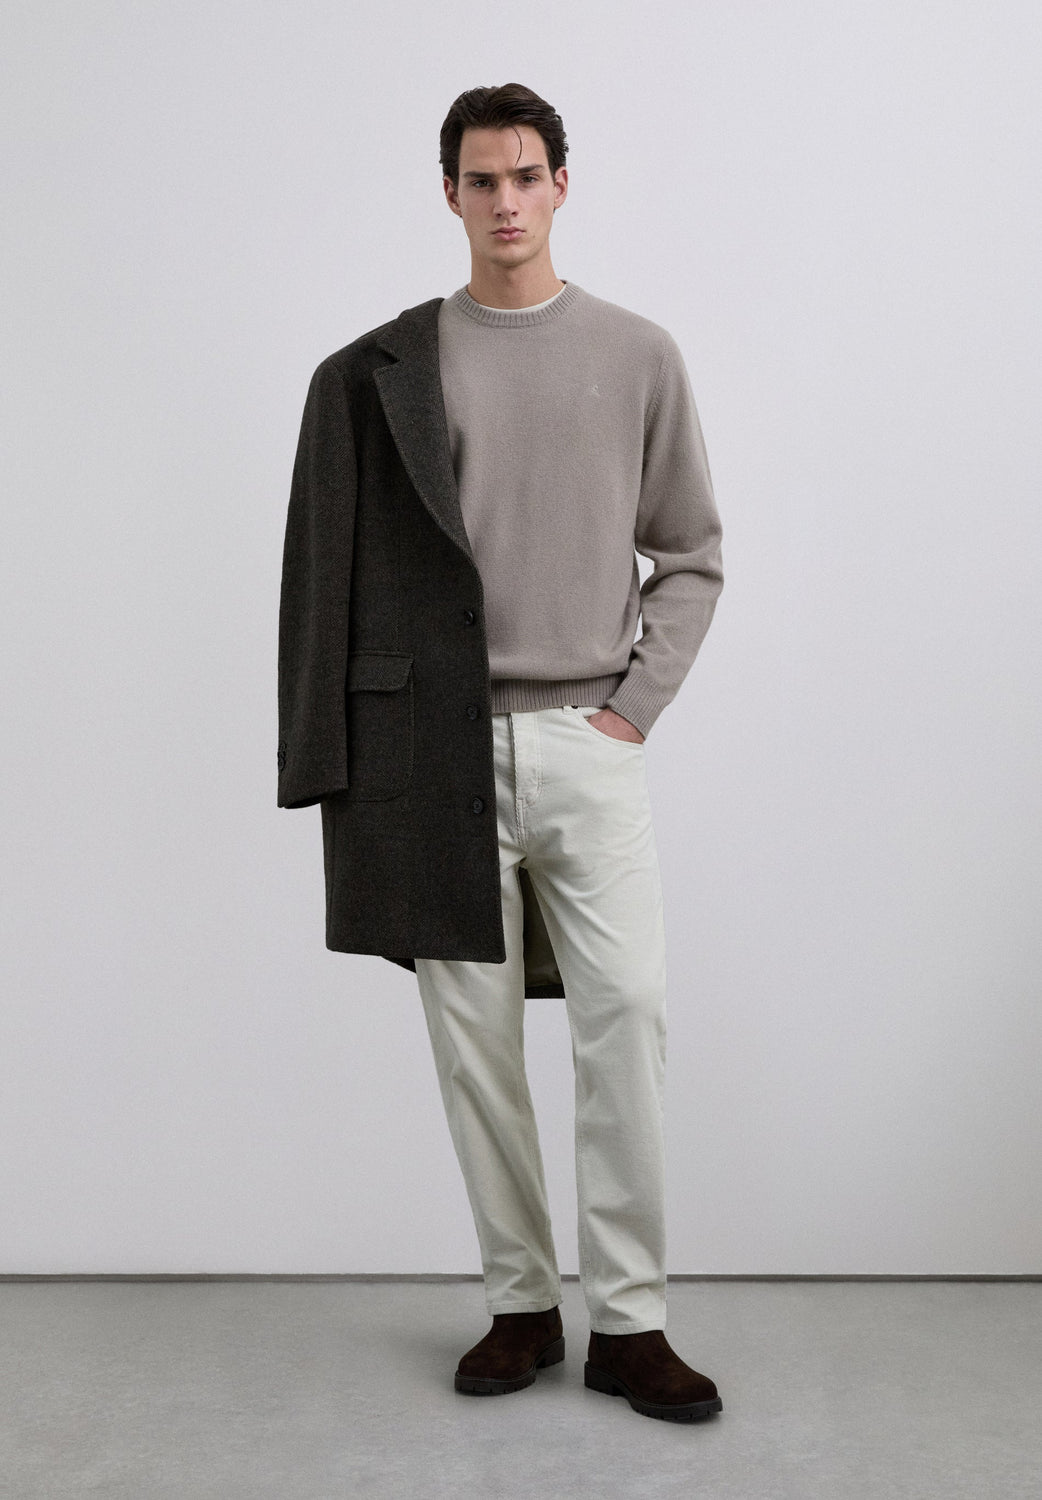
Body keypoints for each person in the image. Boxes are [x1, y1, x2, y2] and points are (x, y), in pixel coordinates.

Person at [277, 82, 724, 1423]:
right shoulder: (379, 372)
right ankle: (522, 1305)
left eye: (527, 176)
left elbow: (692, 553)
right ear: (451, 194)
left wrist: (630, 709)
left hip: (588, 737)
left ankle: (630, 1322)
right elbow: (320, 581)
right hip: (435, 751)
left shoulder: (637, 353)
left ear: (561, 185)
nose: (506, 201)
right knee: (473, 1044)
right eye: (482, 180)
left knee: (626, 1019)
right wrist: (328, 765)